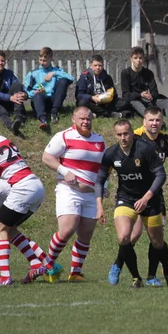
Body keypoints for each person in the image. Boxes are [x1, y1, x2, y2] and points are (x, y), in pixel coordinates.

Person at [107, 106, 168, 287]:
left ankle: (153, 276)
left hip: (154, 194)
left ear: (162, 121)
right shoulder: (134, 136)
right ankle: (117, 265)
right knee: (132, 235)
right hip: (133, 195)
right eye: (151, 120)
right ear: (144, 121)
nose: (154, 123)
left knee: (156, 238)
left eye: (158, 120)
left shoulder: (165, 140)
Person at [0, 115, 59, 286]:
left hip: (22, 187)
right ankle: (37, 264)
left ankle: (5, 277)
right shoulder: (2, 138)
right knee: (10, 230)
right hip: (37, 186)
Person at [96, 120, 167, 288]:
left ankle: (153, 275)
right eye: (119, 134)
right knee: (124, 237)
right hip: (125, 198)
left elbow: (161, 175)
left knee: (157, 242)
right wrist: (99, 205)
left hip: (149, 199)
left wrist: (146, 197)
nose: (123, 138)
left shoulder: (145, 149)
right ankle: (136, 277)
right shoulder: (111, 153)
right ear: (115, 135)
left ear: (132, 134)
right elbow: (99, 179)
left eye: (126, 133)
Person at [41, 106, 106, 282]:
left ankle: (75, 272)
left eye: (88, 119)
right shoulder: (64, 136)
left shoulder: (99, 140)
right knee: (67, 229)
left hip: (91, 193)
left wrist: (104, 185)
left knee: (85, 234)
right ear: (73, 119)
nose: (85, 122)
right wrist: (64, 170)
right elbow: (47, 157)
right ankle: (48, 266)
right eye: (82, 119)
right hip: (69, 190)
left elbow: (103, 168)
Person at [120, 46, 168, 130]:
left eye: (140, 58)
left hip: (148, 99)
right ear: (131, 59)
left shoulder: (148, 73)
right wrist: (140, 94)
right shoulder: (125, 73)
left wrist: (150, 95)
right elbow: (126, 94)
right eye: (135, 58)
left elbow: (155, 91)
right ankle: (155, 121)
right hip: (134, 100)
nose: (138, 60)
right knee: (135, 103)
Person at [23, 47, 74, 128]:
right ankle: (42, 119)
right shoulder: (33, 73)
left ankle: (54, 112)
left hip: (53, 100)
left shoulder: (57, 70)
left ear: (51, 59)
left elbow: (71, 78)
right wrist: (34, 92)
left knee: (64, 80)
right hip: (39, 100)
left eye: (45, 60)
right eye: (40, 60)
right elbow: (26, 90)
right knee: (38, 95)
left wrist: (53, 73)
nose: (42, 63)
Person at [76, 54, 123, 118]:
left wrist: (107, 96)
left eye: (100, 65)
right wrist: (92, 97)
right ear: (90, 66)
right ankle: (109, 113)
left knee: (124, 102)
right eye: (95, 65)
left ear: (103, 66)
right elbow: (79, 95)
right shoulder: (84, 77)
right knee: (82, 103)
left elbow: (114, 94)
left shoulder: (107, 77)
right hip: (92, 102)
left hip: (105, 103)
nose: (98, 67)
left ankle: (97, 114)